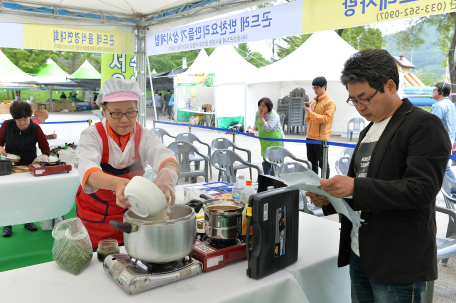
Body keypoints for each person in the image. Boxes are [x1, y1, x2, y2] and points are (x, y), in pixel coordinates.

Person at [306, 49, 450, 303]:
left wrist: (354, 187)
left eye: (365, 98)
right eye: (353, 100)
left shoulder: (422, 125)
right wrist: (331, 199)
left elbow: (421, 190)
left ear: (390, 86)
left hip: (397, 261)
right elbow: (364, 191)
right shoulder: (369, 130)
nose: (360, 108)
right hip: (359, 251)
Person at [76, 77, 179, 248]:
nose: (124, 119)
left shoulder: (145, 135)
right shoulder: (92, 135)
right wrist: (117, 183)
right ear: (104, 110)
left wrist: (167, 175)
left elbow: (165, 157)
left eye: (131, 112)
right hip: (95, 216)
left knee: (131, 253)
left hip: (132, 213)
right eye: (116, 113)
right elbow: (89, 172)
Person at [0, 101, 51, 237]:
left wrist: (45, 156)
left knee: (27, 195)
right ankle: (7, 224)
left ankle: (28, 221)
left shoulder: (35, 128)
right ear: (14, 118)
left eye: (26, 119)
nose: (23, 123)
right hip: (9, 167)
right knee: (8, 195)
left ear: (30, 116)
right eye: (19, 120)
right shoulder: (6, 125)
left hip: (28, 167)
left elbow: (45, 148)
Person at [304, 76, 336, 177]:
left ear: (324, 87)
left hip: (321, 138)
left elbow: (326, 118)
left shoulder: (330, 102)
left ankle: (325, 185)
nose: (315, 90)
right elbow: (308, 119)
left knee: (323, 163)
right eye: (314, 87)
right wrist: (309, 112)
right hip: (310, 137)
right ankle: (314, 184)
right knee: (311, 163)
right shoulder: (313, 102)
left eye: (317, 87)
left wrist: (311, 113)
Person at [430, 82, 456, 181]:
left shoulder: (439, 106)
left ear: (441, 92)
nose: (433, 91)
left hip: (439, 141)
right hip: (448, 139)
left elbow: (431, 124)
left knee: (443, 167)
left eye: (435, 89)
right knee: (441, 166)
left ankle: (454, 191)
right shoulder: (450, 104)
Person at [252, 97, 285, 175]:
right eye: (260, 105)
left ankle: (275, 180)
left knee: (275, 162)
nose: (261, 108)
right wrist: (252, 131)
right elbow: (256, 124)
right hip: (264, 142)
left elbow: (267, 128)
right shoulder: (257, 113)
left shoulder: (274, 115)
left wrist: (262, 118)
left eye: (263, 106)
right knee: (266, 160)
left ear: (269, 106)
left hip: (275, 141)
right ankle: (266, 179)